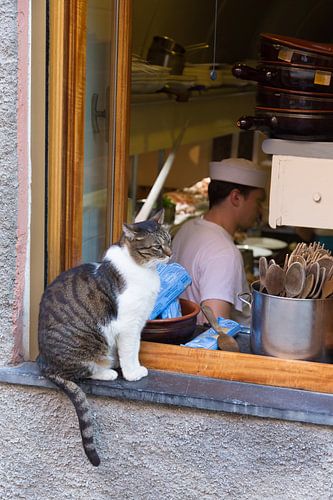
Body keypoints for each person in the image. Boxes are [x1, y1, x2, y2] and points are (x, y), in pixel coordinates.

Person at [171, 158, 268, 325]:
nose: (260, 210)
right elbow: (215, 330)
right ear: (236, 197)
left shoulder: (187, 229)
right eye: (258, 201)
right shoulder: (223, 252)